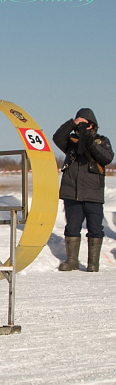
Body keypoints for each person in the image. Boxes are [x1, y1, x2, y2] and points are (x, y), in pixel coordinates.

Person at [52, 108, 113, 272]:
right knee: (71, 228)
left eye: (87, 124)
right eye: (81, 124)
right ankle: (72, 261)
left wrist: (89, 141)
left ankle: (93, 264)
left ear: (93, 126)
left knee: (95, 228)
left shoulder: (101, 141)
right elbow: (57, 137)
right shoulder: (71, 142)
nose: (84, 127)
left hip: (93, 193)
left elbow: (106, 158)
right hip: (72, 192)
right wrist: (73, 122)